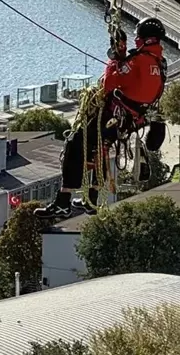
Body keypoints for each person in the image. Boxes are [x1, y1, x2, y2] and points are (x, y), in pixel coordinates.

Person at [36, 18, 168, 218]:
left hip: (114, 115)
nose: (136, 40)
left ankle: (63, 201)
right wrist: (123, 56)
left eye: (137, 37)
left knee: (75, 143)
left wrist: (115, 58)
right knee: (99, 149)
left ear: (144, 38)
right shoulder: (159, 62)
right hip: (129, 120)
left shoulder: (139, 61)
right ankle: (92, 198)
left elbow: (108, 83)